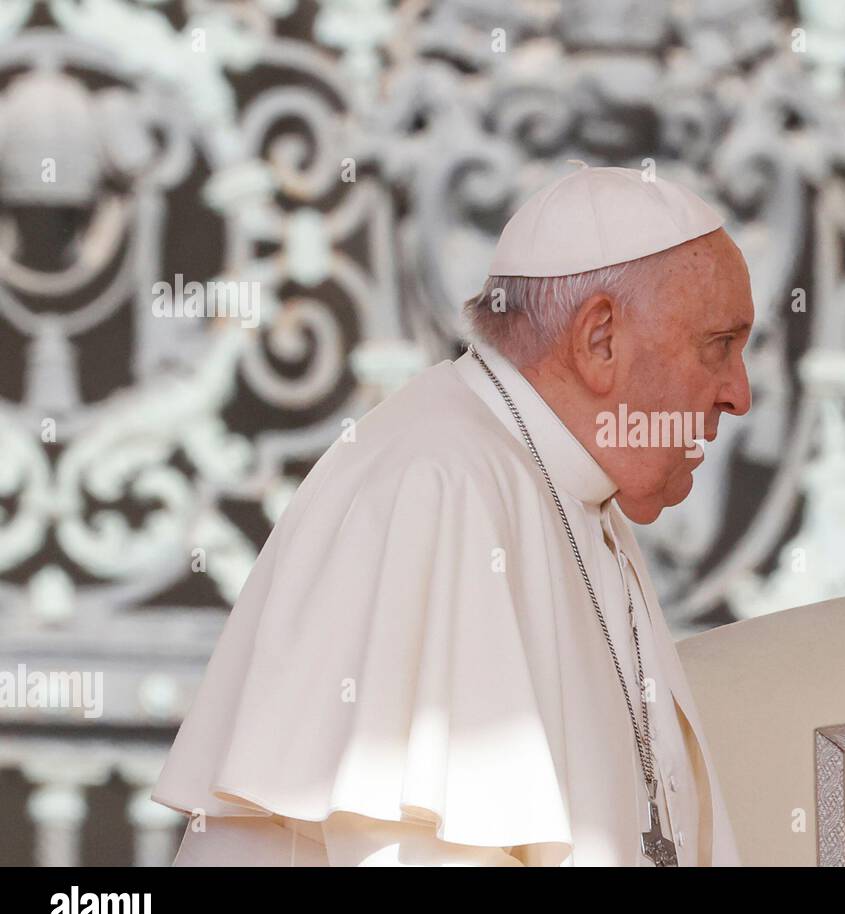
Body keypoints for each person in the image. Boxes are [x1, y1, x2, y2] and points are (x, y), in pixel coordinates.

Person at [152, 165, 754, 866]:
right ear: (600, 341)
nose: (737, 396)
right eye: (719, 347)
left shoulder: (572, 491)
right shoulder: (438, 484)